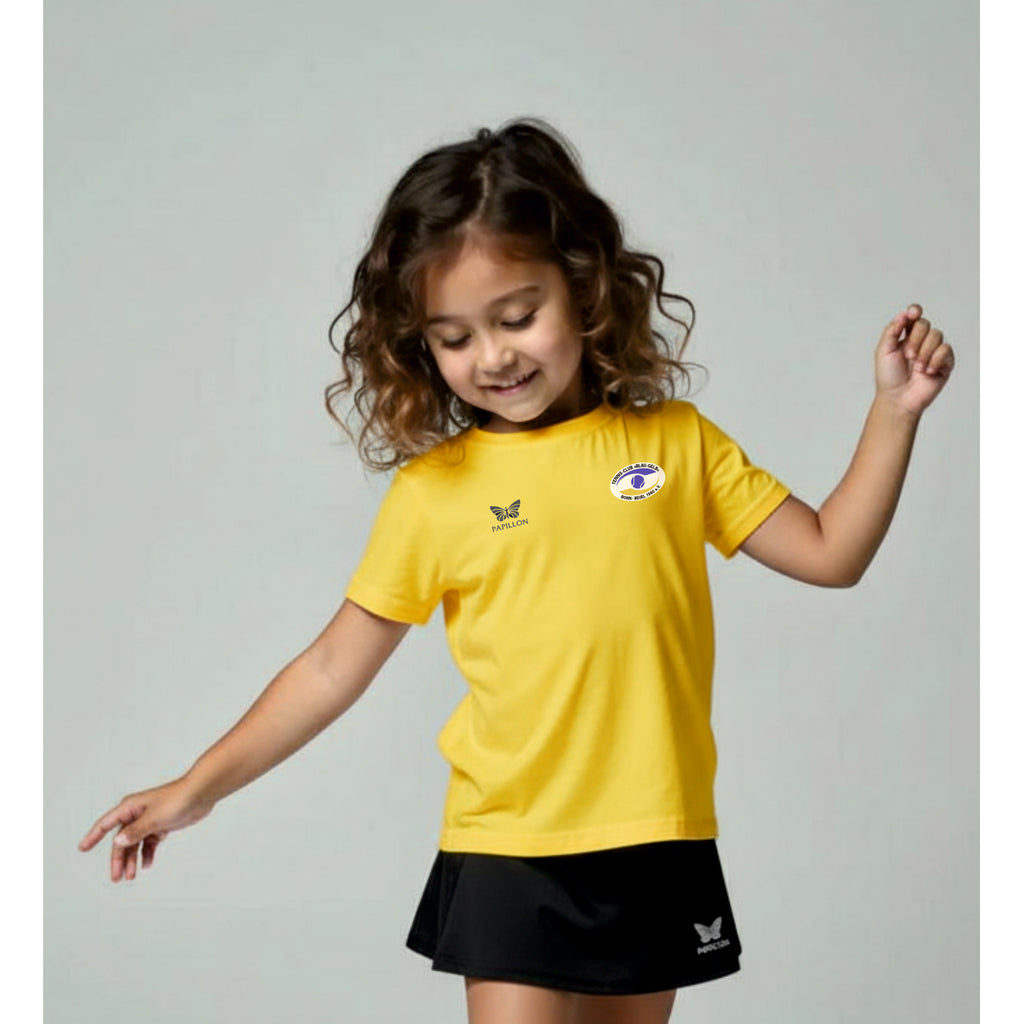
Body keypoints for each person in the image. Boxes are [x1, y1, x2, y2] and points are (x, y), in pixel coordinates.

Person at [78, 118, 955, 1024]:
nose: (493, 357)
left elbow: (832, 552)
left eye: (517, 317)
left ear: (583, 286)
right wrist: (196, 788)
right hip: (508, 847)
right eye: (454, 337)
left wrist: (895, 411)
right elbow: (332, 667)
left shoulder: (676, 445)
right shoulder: (435, 493)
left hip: (656, 838)